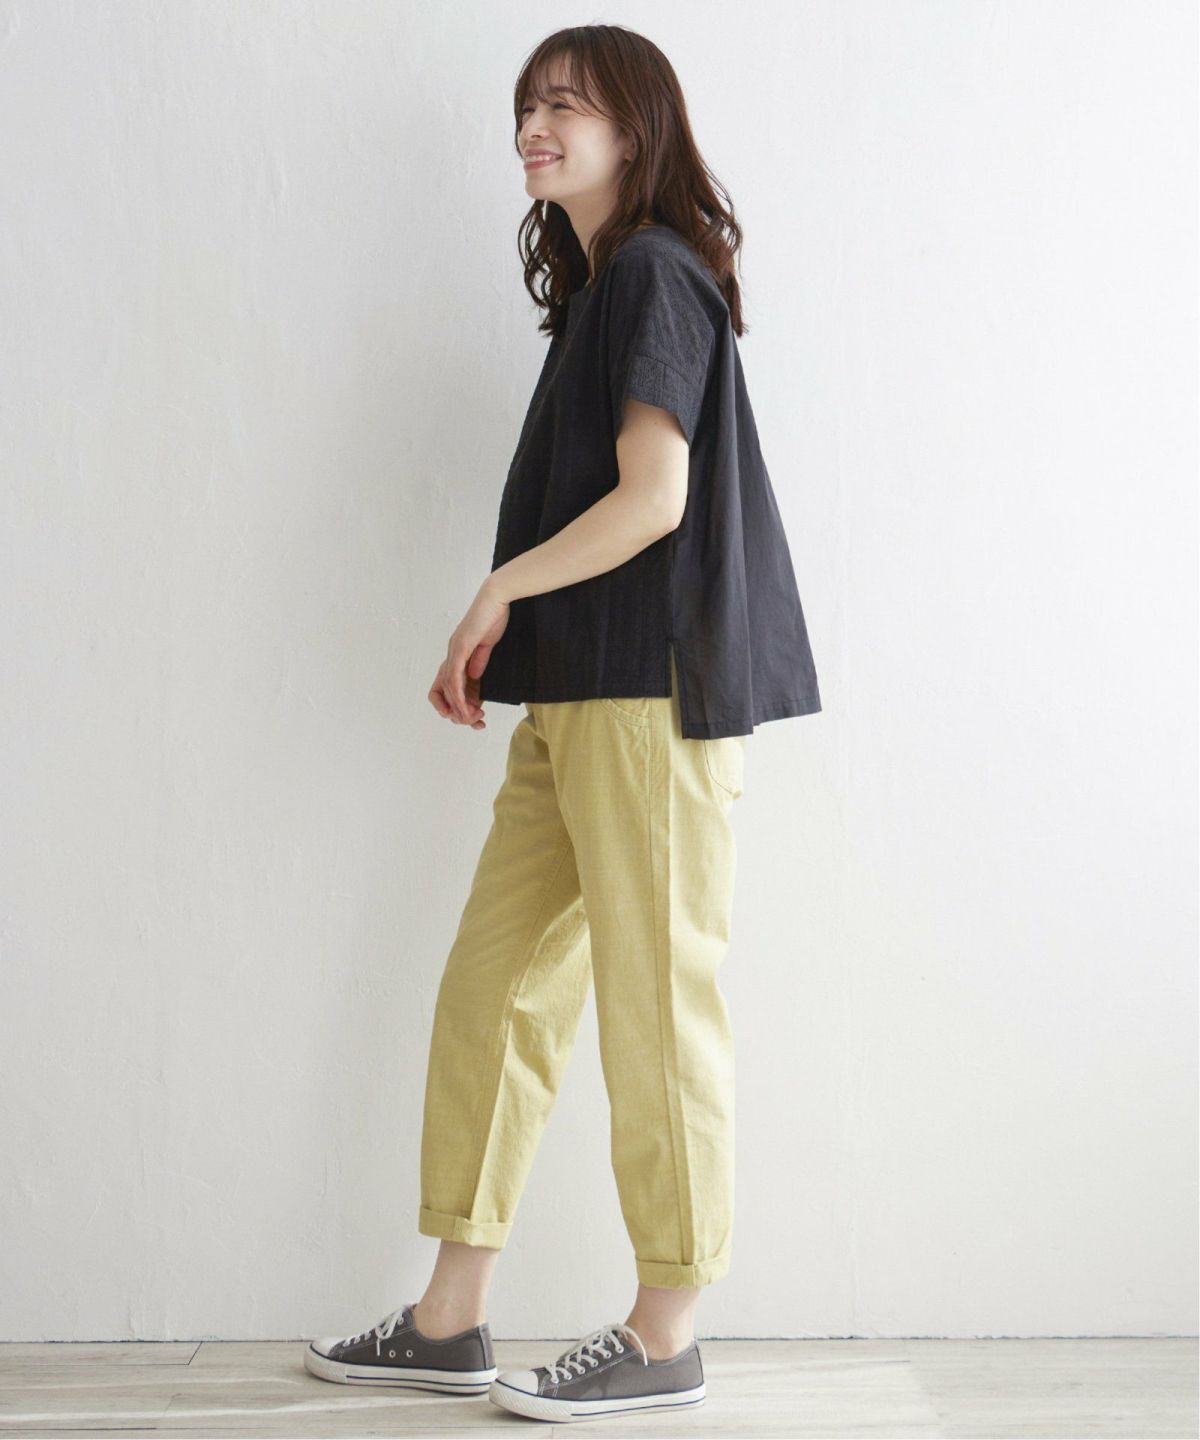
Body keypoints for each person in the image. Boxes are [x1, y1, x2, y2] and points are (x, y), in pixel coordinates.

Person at [305, 23, 821, 1423]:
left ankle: (667, 1331)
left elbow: (656, 499)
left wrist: (496, 591)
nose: (534, 126)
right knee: (496, 990)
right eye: (527, 106)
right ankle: (448, 1319)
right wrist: (517, 627)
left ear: (635, 129)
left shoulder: (652, 272)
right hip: (579, 698)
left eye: (567, 106)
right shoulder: (599, 295)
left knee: (657, 1010)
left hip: (649, 700)